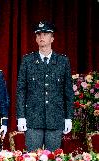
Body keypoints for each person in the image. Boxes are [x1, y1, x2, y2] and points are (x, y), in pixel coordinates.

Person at [16, 21, 74, 152]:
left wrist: (69, 117)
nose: (42, 37)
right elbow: (21, 90)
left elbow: (68, 92)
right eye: (39, 34)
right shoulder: (27, 60)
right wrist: (21, 116)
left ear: (52, 38)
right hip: (33, 119)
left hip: (55, 118)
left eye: (46, 34)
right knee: (31, 160)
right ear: (36, 39)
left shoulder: (62, 61)